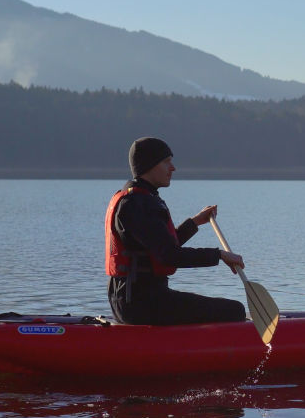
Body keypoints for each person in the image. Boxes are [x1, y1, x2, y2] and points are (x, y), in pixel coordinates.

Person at [105, 137, 247, 325]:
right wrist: (219, 255)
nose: (173, 168)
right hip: (143, 305)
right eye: (166, 162)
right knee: (235, 310)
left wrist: (195, 222)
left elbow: (160, 246)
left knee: (226, 309)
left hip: (135, 301)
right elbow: (169, 255)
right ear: (150, 165)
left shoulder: (137, 199)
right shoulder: (137, 204)